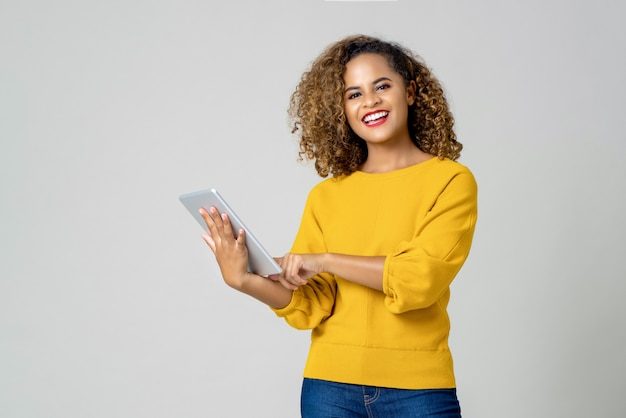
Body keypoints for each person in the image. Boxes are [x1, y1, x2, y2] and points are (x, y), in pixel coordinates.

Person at [199, 34, 478, 418]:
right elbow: (312, 303)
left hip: (417, 391)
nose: (371, 101)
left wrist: (325, 259)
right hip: (328, 389)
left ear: (411, 92)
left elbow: (419, 279)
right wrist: (245, 280)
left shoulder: (450, 180)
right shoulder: (326, 196)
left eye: (382, 86)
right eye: (354, 94)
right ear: (342, 110)